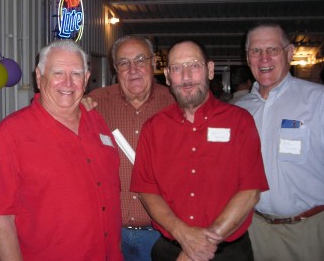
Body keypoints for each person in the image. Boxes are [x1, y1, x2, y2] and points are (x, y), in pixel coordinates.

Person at [130, 39, 269, 261]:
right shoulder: (153, 129)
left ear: (210, 70)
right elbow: (147, 190)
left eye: (194, 65)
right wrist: (182, 234)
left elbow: (251, 191)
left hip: (228, 252)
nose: (185, 77)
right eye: (177, 68)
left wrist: (201, 244)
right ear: (167, 76)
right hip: (170, 250)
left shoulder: (240, 122)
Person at [0, 39, 123, 261]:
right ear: (39, 77)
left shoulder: (97, 121)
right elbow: (1, 216)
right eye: (58, 73)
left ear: (87, 79)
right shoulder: (11, 134)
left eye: (77, 74)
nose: (68, 83)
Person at [236, 22, 324, 261]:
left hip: (309, 231)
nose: (264, 58)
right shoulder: (238, 111)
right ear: (247, 57)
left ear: (290, 52)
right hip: (254, 229)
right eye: (255, 51)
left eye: (272, 49)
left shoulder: (318, 100)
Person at [86, 36, 175, 261]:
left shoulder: (175, 103)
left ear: (154, 63)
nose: (132, 69)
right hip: (110, 233)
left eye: (140, 60)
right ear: (116, 68)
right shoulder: (94, 104)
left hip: (161, 234)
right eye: (124, 63)